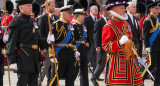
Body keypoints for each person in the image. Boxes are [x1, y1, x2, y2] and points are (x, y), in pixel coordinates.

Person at [102, 0, 144, 85]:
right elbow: (105, 46)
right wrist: (119, 42)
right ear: (114, 9)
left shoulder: (126, 23)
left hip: (130, 61)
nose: (124, 10)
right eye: (121, 8)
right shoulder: (108, 26)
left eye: (124, 8)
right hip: (117, 63)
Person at [7, 0, 48, 85]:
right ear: (21, 8)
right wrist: (12, 61)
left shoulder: (34, 22)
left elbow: (38, 40)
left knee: (34, 83)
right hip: (23, 58)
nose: (30, 7)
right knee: (22, 82)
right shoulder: (16, 22)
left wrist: (47, 40)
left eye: (31, 5)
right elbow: (11, 43)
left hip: (34, 59)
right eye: (28, 5)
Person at [47, 5, 80, 86]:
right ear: (63, 14)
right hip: (60, 54)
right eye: (69, 13)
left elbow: (72, 41)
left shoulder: (70, 25)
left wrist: (75, 50)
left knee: (70, 77)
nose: (71, 15)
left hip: (70, 54)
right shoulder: (55, 25)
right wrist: (52, 55)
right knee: (56, 76)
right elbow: (50, 41)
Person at [38, 0, 59, 85]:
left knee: (55, 67)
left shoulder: (56, 18)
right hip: (46, 47)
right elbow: (40, 33)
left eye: (54, 6)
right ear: (47, 7)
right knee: (45, 67)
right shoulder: (42, 18)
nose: (53, 7)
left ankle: (51, 83)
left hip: (55, 47)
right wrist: (43, 47)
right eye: (52, 6)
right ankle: (38, 83)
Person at [142, 1, 160, 86]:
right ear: (151, 9)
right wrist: (147, 46)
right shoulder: (147, 20)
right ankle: (141, 79)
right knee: (151, 64)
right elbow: (145, 34)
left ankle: (157, 83)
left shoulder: (157, 19)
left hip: (158, 46)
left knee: (159, 65)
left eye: (158, 8)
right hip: (152, 46)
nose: (158, 10)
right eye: (156, 8)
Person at [92, 5, 109, 86]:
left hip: (109, 45)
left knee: (107, 63)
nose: (109, 12)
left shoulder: (109, 20)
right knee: (101, 64)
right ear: (102, 12)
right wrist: (97, 46)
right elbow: (96, 35)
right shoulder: (99, 21)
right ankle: (94, 77)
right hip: (102, 46)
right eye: (107, 11)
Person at [72, 8, 89, 86]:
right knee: (74, 71)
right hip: (76, 50)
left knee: (85, 71)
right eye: (81, 15)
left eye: (83, 15)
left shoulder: (84, 26)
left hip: (83, 50)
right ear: (77, 16)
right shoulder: (73, 26)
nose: (83, 17)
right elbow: (72, 40)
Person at [83, 1, 99, 72]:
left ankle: (95, 75)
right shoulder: (86, 19)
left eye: (97, 9)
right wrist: (86, 41)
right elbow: (84, 31)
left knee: (96, 59)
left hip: (97, 42)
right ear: (91, 10)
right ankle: (82, 72)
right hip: (89, 42)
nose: (97, 11)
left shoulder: (98, 19)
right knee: (87, 58)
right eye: (95, 9)